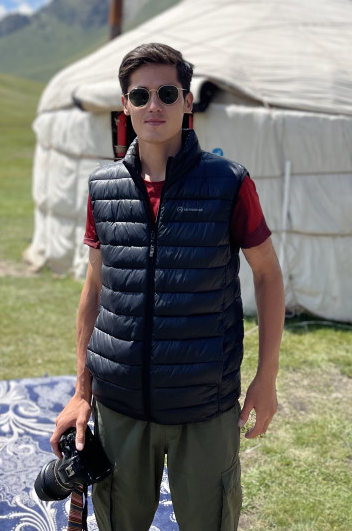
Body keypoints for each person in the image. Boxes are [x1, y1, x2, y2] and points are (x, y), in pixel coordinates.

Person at [50, 42, 285, 531]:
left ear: (187, 102)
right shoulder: (102, 188)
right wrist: (81, 392)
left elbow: (267, 275)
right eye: (140, 95)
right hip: (120, 406)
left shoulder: (228, 183)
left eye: (167, 93)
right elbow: (95, 289)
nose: (153, 105)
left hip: (203, 406)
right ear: (125, 106)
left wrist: (266, 378)